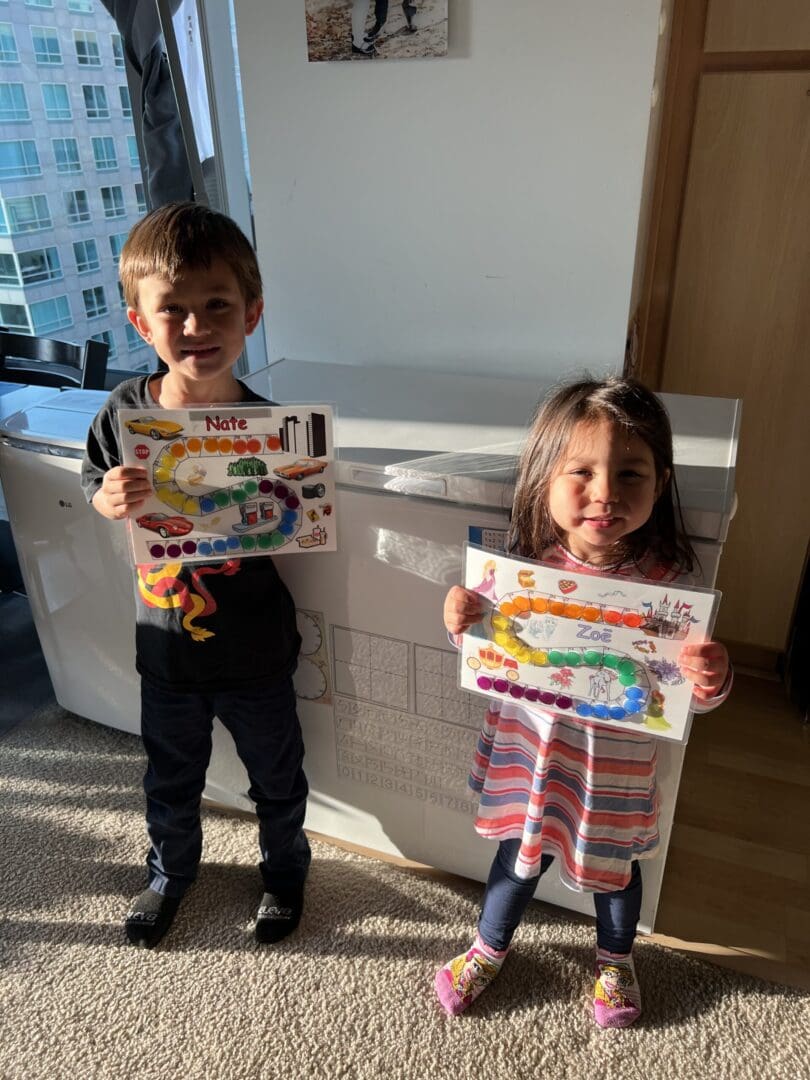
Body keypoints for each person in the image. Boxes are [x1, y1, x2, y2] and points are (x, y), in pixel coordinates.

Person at [435, 376, 732, 1028]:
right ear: (545, 478)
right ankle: (489, 945)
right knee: (518, 859)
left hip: (613, 774)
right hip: (533, 757)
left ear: (661, 481)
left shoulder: (670, 587)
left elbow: (686, 702)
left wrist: (710, 679)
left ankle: (616, 960)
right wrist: (460, 619)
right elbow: (485, 655)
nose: (605, 493)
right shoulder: (522, 567)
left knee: (616, 873)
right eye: (583, 472)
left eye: (631, 473)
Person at [81, 202, 311, 949]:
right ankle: (170, 874)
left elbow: (298, 519)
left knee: (277, 776)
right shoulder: (122, 411)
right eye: (171, 310)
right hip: (167, 650)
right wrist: (105, 496)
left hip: (256, 651)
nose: (195, 326)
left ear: (252, 313)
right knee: (169, 780)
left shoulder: (278, 428)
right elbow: (94, 478)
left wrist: (295, 505)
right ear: (140, 324)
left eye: (217, 305)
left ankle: (284, 870)